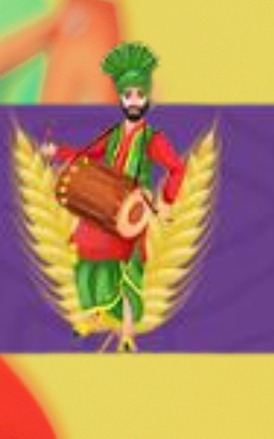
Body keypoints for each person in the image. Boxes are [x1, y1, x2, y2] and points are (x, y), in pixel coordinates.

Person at [35, 40, 186, 332]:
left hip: (133, 211)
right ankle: (92, 316)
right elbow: (86, 155)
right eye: (128, 95)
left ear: (147, 99)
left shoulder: (153, 139)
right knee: (87, 260)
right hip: (102, 205)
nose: (134, 101)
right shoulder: (113, 134)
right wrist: (58, 152)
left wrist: (166, 202)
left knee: (125, 269)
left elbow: (177, 168)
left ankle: (127, 328)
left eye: (139, 94)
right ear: (121, 99)